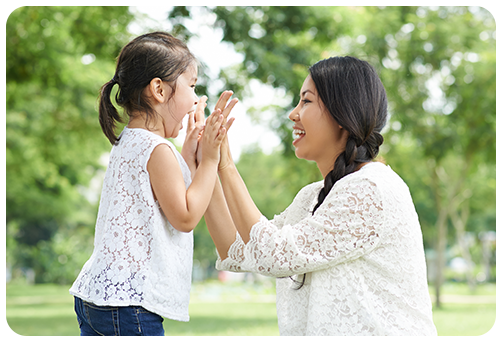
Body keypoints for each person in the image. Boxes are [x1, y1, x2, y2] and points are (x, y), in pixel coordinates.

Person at [203, 56, 438, 336]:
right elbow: (237, 250)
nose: (293, 114)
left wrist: (227, 166)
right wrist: (206, 164)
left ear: (343, 114)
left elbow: (272, 254)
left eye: (306, 101)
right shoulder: (313, 196)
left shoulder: (370, 189)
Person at [69, 32, 237, 336]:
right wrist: (210, 159)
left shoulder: (131, 142)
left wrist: (188, 156)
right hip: (128, 304)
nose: (197, 99)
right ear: (159, 89)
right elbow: (185, 217)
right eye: (192, 85)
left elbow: (163, 196)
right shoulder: (157, 149)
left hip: (101, 296)